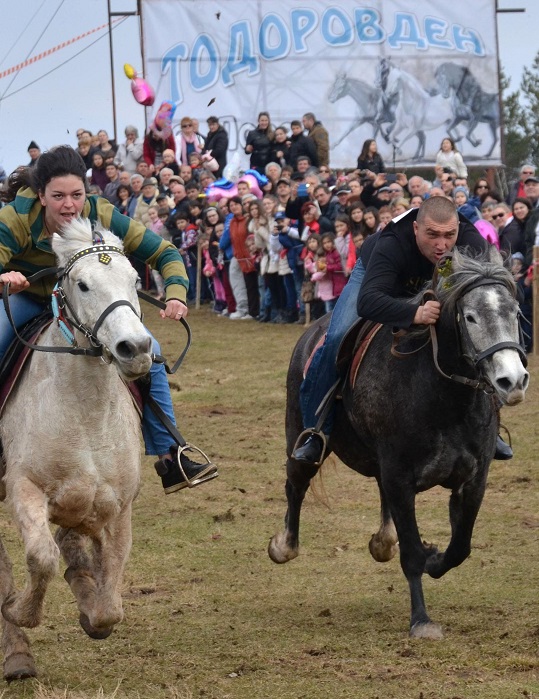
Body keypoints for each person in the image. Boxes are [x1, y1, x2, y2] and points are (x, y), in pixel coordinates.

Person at [0, 145, 217, 492]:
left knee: (153, 352)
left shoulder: (101, 212)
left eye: (76, 194)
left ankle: (171, 455)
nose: (69, 205)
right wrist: (4, 279)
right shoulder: (14, 219)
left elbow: (164, 252)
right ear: (41, 195)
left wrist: (176, 291)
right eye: (58, 196)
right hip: (25, 298)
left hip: (84, 302)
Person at [292, 197, 513, 465]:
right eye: (432, 235)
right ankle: (315, 431)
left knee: (476, 338)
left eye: (448, 235)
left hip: (436, 278)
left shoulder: (470, 240)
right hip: (378, 277)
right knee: (337, 338)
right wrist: (414, 313)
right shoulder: (392, 243)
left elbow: (492, 287)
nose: (442, 245)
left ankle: (491, 427)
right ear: (416, 229)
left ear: (458, 229)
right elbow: (369, 301)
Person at [144, 102, 176, 169]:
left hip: (168, 164)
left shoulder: (168, 137)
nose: (155, 137)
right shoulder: (148, 139)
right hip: (154, 166)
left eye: (157, 135)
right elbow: (146, 154)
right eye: (154, 135)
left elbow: (172, 151)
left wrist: (163, 163)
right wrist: (150, 164)